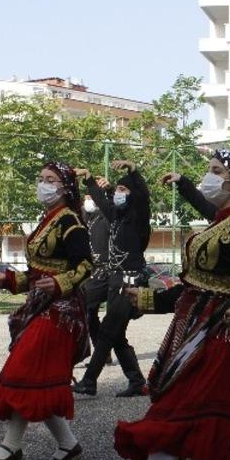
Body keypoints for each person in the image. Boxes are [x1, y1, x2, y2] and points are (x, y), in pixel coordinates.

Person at [95, 148, 230, 460]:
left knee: (177, 412)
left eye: (215, 171)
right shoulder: (220, 222)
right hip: (195, 328)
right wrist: (149, 298)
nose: (209, 177)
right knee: (192, 417)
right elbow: (195, 287)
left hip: (223, 336)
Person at [0, 160, 93, 460]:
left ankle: (10, 445)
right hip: (40, 304)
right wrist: (12, 280)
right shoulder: (46, 220)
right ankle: (67, 444)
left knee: (23, 369)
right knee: (38, 376)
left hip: (62, 310)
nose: (43, 184)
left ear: (65, 187)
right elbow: (37, 271)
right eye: (41, 178)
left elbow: (86, 266)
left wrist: (59, 283)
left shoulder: (71, 223)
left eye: (50, 179)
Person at [73, 159, 151, 397]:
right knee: (115, 332)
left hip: (131, 280)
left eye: (124, 189)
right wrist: (87, 178)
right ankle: (136, 380)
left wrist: (134, 171)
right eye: (117, 188)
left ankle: (89, 381)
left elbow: (143, 196)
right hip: (115, 277)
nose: (118, 193)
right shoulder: (116, 216)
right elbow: (99, 199)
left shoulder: (138, 219)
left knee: (110, 329)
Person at [80, 190, 113, 366]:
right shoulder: (87, 218)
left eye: (90, 197)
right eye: (86, 197)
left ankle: (94, 353)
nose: (88, 200)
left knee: (84, 309)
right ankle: (103, 353)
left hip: (105, 271)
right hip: (92, 272)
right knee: (89, 314)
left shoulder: (106, 217)